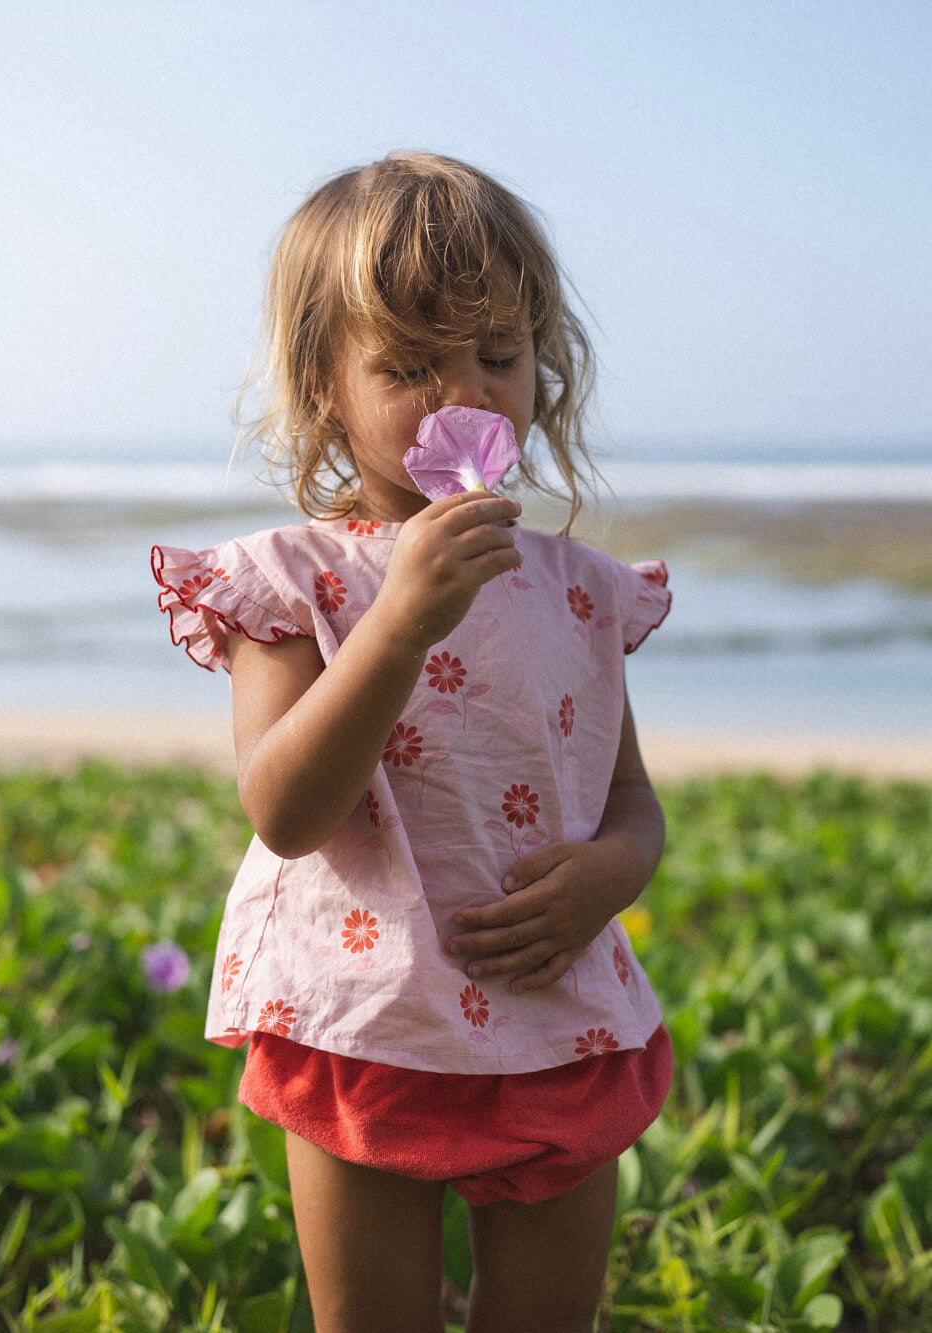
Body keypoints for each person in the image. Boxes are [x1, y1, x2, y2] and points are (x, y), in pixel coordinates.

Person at [152, 151, 672, 1333]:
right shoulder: (293, 586)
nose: (468, 399)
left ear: (545, 360)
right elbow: (284, 810)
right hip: (364, 1018)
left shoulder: (581, 591)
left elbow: (630, 794)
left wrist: (615, 870)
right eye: (410, 367)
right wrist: (397, 623)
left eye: (498, 356)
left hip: (552, 1014)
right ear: (325, 385)